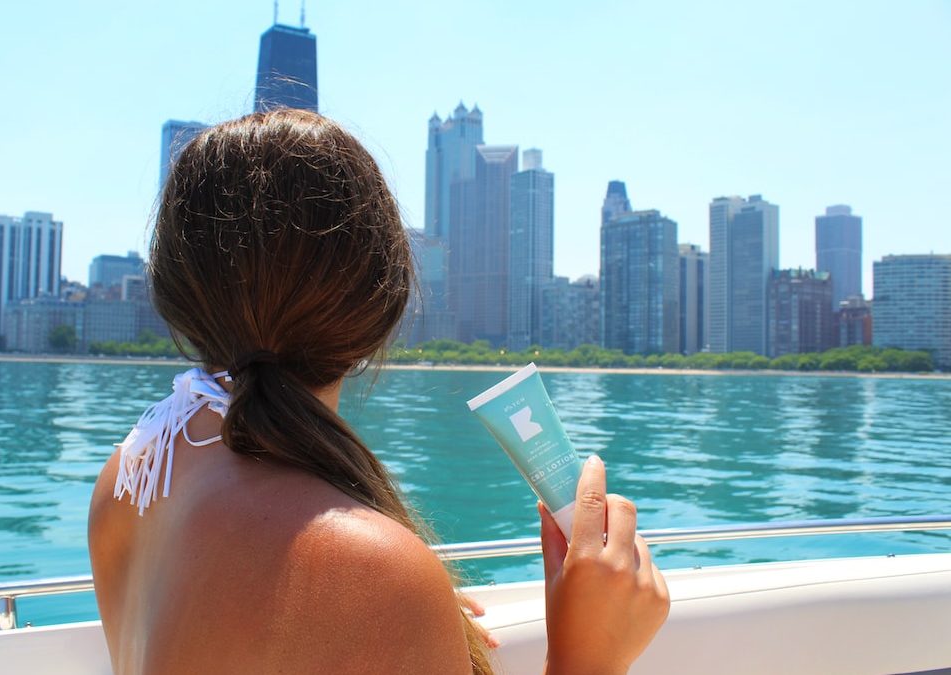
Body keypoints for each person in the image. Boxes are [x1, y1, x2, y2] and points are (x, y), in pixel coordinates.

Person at [88, 109, 669, 674]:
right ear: (381, 306)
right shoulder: (368, 573)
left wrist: (400, 610)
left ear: (173, 291)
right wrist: (590, 656)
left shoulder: (132, 475)